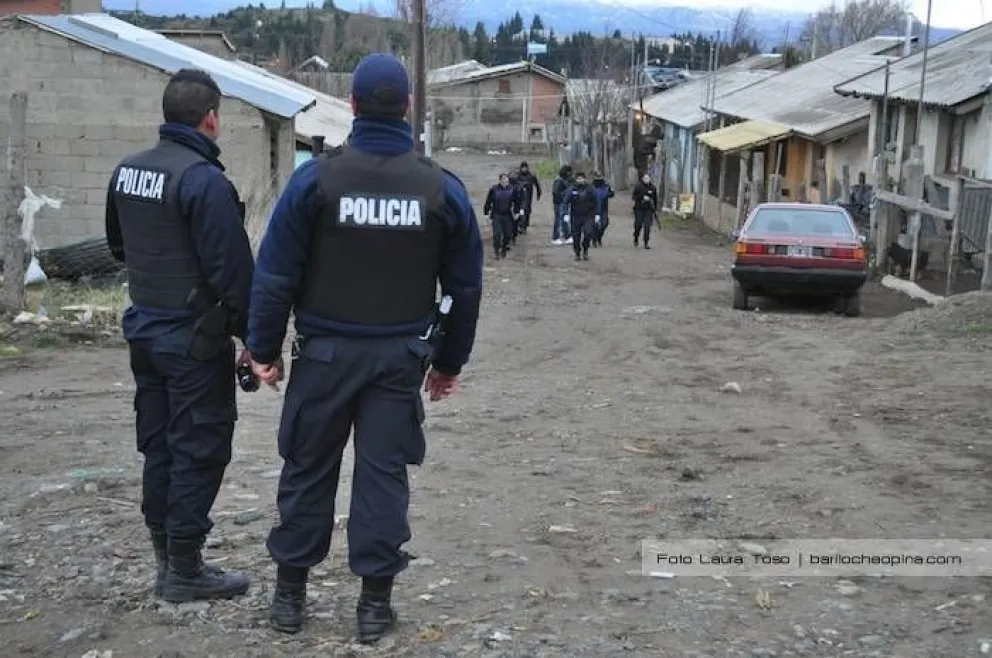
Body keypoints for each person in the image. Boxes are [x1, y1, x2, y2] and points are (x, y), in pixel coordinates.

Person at [246, 53, 484, 642]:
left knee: (307, 470)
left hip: (325, 356)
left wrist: (263, 349)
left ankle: (289, 601)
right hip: (398, 361)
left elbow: (276, 274)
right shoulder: (439, 189)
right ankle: (373, 608)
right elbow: (464, 287)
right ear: (407, 107)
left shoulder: (315, 181)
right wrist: (449, 362)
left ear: (352, 105)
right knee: (382, 479)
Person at [104, 69, 254, 603]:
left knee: (160, 445)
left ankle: (167, 559)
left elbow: (118, 247)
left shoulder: (128, 171)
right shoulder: (203, 180)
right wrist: (251, 339)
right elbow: (233, 274)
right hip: (193, 340)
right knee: (200, 447)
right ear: (210, 117)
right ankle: (184, 570)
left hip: (145, 330)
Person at [484, 172, 521, 260]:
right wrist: (486, 214)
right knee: (497, 234)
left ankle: (504, 248)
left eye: (507, 180)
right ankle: (496, 250)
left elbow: (517, 202)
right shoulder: (494, 189)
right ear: (500, 181)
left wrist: (517, 212)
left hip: (508, 215)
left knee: (508, 234)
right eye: (503, 180)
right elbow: (488, 202)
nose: (505, 182)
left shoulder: (512, 189)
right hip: (496, 215)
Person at [564, 171, 599, 261]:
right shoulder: (572, 189)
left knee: (588, 233)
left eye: (582, 178)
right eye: (578, 179)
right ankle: (577, 252)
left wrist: (597, 214)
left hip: (588, 215)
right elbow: (566, 202)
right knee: (576, 236)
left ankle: (585, 249)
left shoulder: (590, 189)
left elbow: (596, 202)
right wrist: (565, 214)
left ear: (585, 179)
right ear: (576, 179)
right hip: (575, 216)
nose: (580, 180)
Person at [510, 161, 542, 238]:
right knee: (519, 210)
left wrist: (538, 194)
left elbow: (537, 185)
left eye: (525, 168)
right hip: (518, 196)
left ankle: (524, 226)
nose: (524, 169)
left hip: (528, 196)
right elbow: (510, 183)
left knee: (527, 211)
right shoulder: (516, 175)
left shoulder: (531, 176)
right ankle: (519, 225)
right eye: (523, 168)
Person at [632, 172, 659, 249]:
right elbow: (633, 197)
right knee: (638, 225)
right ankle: (636, 237)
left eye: (648, 178)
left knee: (647, 226)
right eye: (645, 178)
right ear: (642, 179)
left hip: (648, 210)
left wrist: (655, 209)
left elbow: (655, 199)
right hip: (639, 209)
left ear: (650, 179)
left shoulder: (653, 188)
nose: (646, 180)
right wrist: (642, 197)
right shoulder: (638, 186)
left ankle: (646, 243)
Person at [590, 171, 615, 247]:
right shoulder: (591, 187)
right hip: (593, 209)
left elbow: (610, 195)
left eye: (600, 176)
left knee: (604, 224)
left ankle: (599, 237)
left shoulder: (605, 186)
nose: (598, 178)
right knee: (595, 225)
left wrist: (611, 191)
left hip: (603, 209)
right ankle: (594, 240)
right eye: (597, 177)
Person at [551, 165, 573, 245]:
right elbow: (555, 192)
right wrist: (565, 194)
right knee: (558, 220)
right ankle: (555, 237)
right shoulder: (559, 181)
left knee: (564, 220)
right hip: (559, 203)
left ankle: (567, 236)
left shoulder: (564, 180)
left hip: (562, 203)